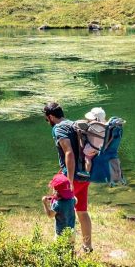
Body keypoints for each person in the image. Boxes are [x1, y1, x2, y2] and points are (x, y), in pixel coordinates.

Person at [44, 101, 93, 253]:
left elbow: (69, 153)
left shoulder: (59, 128)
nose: (47, 121)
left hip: (71, 178)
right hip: (84, 174)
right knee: (82, 211)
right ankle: (87, 247)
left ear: (51, 117)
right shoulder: (73, 124)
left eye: (46, 119)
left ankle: (64, 249)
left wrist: (69, 181)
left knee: (61, 212)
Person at [41, 172, 76, 238]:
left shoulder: (57, 204)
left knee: (59, 245)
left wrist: (44, 203)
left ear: (56, 191)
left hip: (61, 234)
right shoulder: (72, 200)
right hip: (72, 232)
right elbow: (76, 200)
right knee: (71, 244)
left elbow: (50, 215)